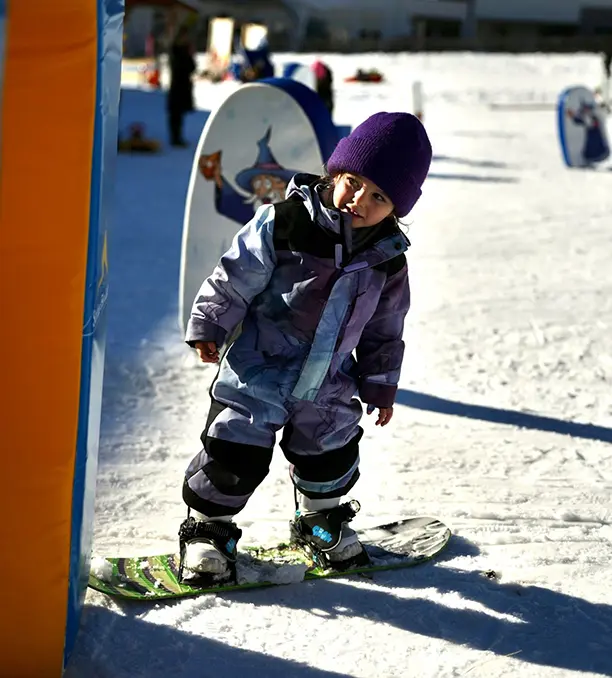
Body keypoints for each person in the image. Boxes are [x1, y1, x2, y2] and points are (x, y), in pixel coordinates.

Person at [179, 112, 432, 582]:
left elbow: (385, 328)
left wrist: (380, 383)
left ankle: (320, 520)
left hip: (329, 382)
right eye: (353, 182)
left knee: (330, 452)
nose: (359, 200)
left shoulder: (388, 260)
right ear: (335, 172)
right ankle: (206, 531)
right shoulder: (286, 222)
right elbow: (235, 277)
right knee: (234, 450)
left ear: (397, 208)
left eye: (379, 197)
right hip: (258, 371)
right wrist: (211, 323)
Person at [167, 25, 196, 147]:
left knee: (179, 115)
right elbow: (186, 67)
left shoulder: (181, 51)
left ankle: (177, 137)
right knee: (176, 114)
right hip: (178, 86)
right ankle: (175, 138)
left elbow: (192, 67)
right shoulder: (177, 52)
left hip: (182, 86)